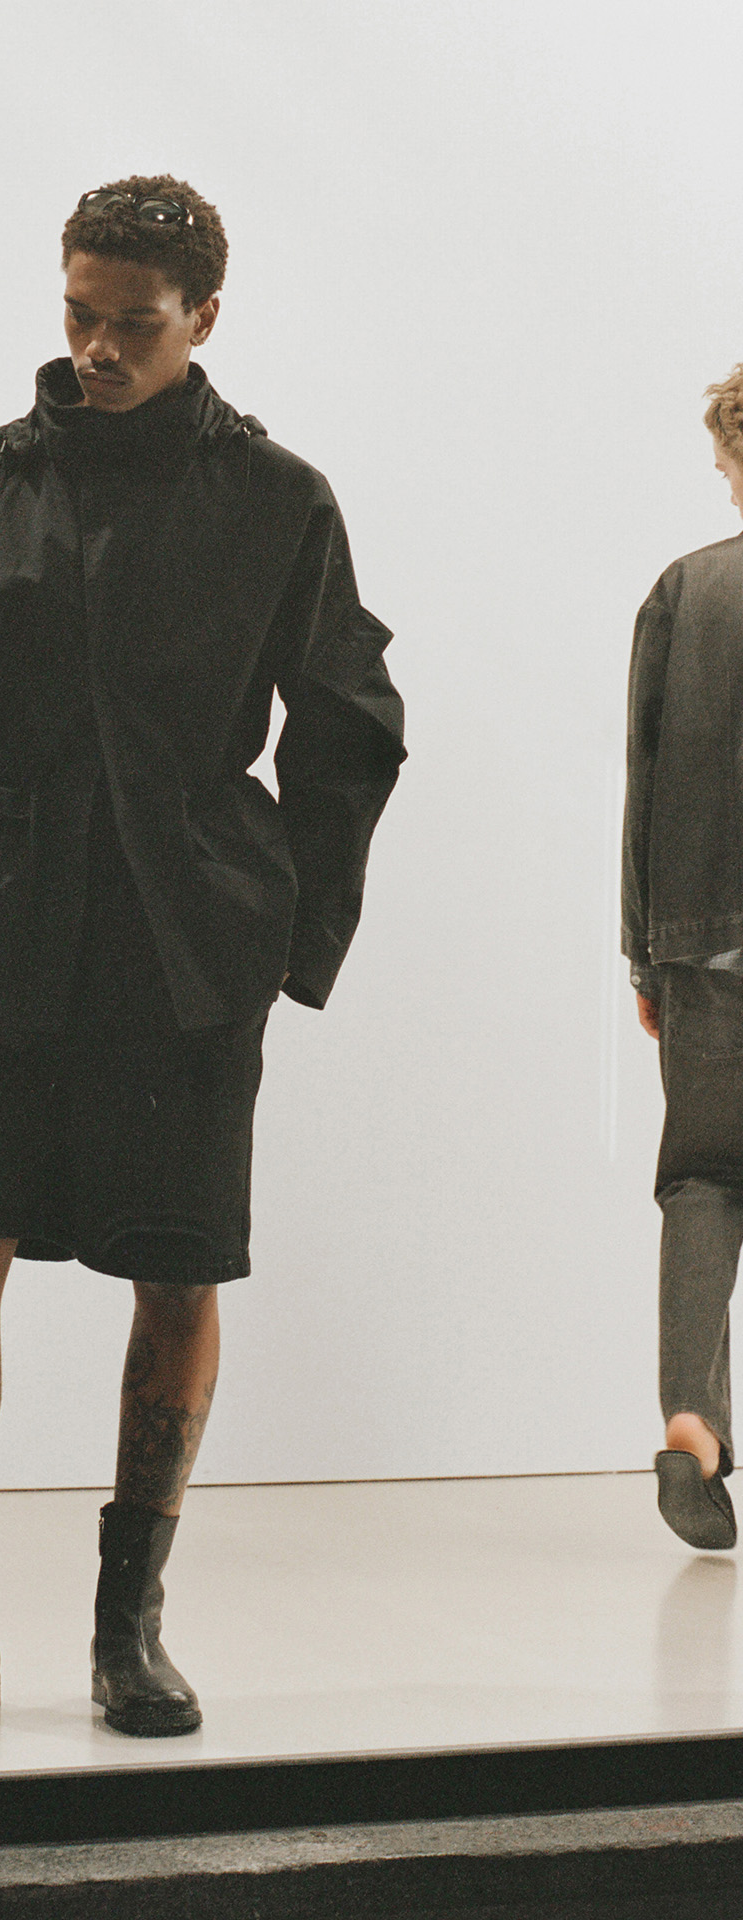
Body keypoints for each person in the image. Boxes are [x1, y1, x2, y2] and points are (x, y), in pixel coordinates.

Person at [0, 177, 405, 1739]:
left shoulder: (277, 498)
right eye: (79, 314)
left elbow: (352, 721)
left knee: (179, 1266)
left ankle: (127, 1625)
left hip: (183, 948)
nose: (96, 348)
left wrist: (286, 925)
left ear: (204, 317)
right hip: (5, 929)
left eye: (133, 326)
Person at [624, 366, 743, 1552]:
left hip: (705, 941)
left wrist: (642, 954)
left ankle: (690, 1425)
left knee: (703, 1175)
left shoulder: (684, 589)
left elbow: (643, 782)